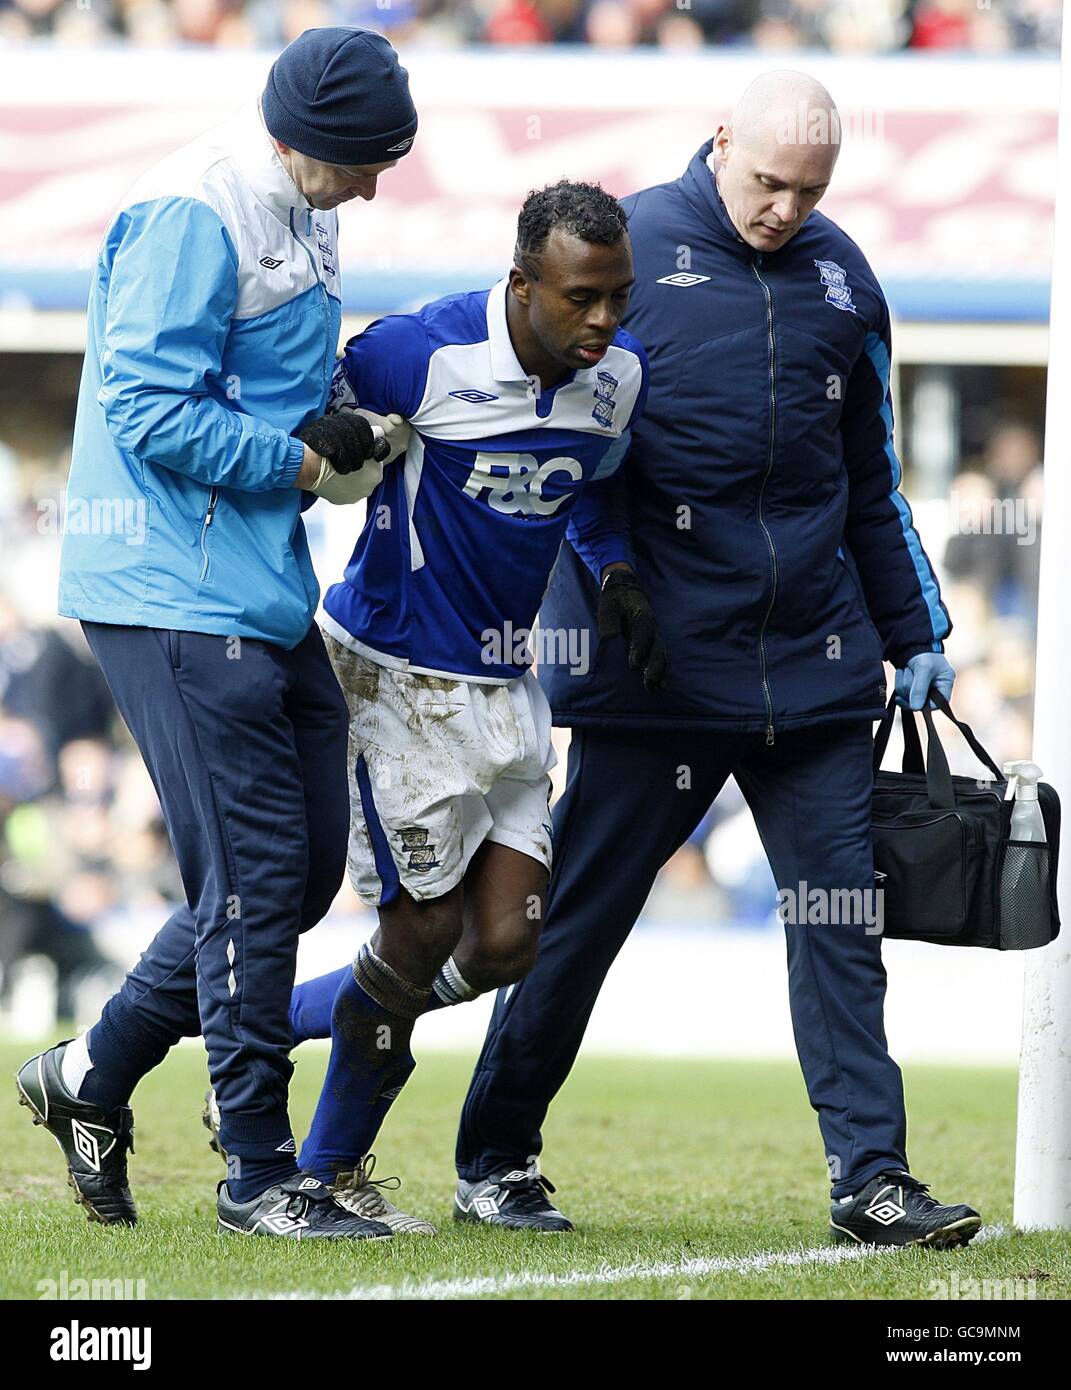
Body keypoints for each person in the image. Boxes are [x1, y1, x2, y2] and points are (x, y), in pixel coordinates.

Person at [449, 71, 982, 1247]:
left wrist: (919, 634)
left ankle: (872, 1180)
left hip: (819, 670)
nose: (786, 208)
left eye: (811, 189)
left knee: (839, 925)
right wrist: (609, 584)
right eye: (768, 181)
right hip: (658, 672)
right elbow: (568, 450)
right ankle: (495, 1156)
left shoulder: (850, 280)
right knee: (576, 922)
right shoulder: (624, 257)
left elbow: (869, 483)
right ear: (721, 138)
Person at [16, 27, 420, 1241]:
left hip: (254, 579)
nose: (376, 183)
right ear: (305, 140)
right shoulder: (191, 210)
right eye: (364, 160)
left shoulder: (311, 205)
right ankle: (259, 1172)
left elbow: (269, 382)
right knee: (250, 880)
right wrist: (298, 456)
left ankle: (88, 1073)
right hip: (163, 580)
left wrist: (342, 422)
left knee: (291, 879)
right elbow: (145, 404)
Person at [206, 182, 661, 1234]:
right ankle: (318, 1175)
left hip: (509, 688)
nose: (603, 321)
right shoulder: (422, 350)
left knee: (506, 942)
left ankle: (256, 1025)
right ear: (523, 283)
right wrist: (337, 428)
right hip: (394, 675)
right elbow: (314, 396)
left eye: (619, 298)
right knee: (421, 930)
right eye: (582, 298)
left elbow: (594, 482)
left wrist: (618, 570)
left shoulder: (616, 379)